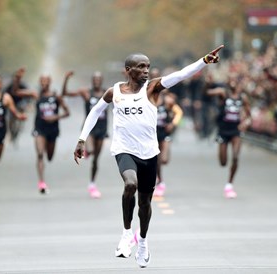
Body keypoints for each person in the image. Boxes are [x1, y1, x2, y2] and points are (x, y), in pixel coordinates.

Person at [73, 45, 223, 268]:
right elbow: (95, 111)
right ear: (128, 70)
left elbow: (180, 75)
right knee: (130, 185)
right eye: (141, 67)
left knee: (144, 203)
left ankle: (142, 241)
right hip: (124, 149)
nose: (146, 71)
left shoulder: (153, 88)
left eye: (148, 67)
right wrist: (82, 139)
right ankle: (126, 235)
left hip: (149, 153)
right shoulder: (114, 92)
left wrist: (204, 61)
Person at [62, 70, 107, 198]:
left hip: (102, 129)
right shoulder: (86, 93)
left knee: (96, 159)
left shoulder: (107, 93)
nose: (97, 81)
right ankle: (87, 149)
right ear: (92, 81)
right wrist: (66, 79)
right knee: (91, 151)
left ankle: (92, 184)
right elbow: (65, 93)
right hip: (90, 129)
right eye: (95, 79)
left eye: (99, 79)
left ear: (102, 80)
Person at [207, 79, 251, 199]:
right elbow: (208, 92)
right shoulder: (223, 93)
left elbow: (249, 115)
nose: (234, 84)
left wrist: (245, 123)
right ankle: (228, 182)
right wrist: (208, 84)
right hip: (223, 130)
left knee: (236, 157)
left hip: (236, 130)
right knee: (223, 162)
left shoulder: (243, 98)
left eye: (236, 82)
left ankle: (229, 184)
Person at [31, 74, 70, 194]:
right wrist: (17, 78)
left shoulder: (56, 96)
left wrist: (55, 117)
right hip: (40, 129)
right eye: (41, 81)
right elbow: (16, 91)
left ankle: (42, 181)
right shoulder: (36, 95)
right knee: (40, 154)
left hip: (52, 130)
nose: (43, 84)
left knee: (49, 157)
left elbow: (67, 112)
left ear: (50, 82)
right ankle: (41, 182)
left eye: (46, 81)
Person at [149, 68, 183, 197]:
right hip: (151, 134)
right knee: (156, 160)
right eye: (152, 77)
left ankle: (158, 179)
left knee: (164, 160)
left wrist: (173, 123)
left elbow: (179, 112)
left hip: (164, 132)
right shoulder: (145, 98)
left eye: (157, 77)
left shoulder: (168, 100)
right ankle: (160, 181)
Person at [4, 68, 32, 145]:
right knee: (10, 121)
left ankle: (18, 131)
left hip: (21, 105)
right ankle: (12, 132)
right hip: (12, 106)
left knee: (20, 121)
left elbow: (29, 96)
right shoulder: (9, 86)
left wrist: (27, 104)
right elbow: (4, 95)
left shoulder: (23, 85)